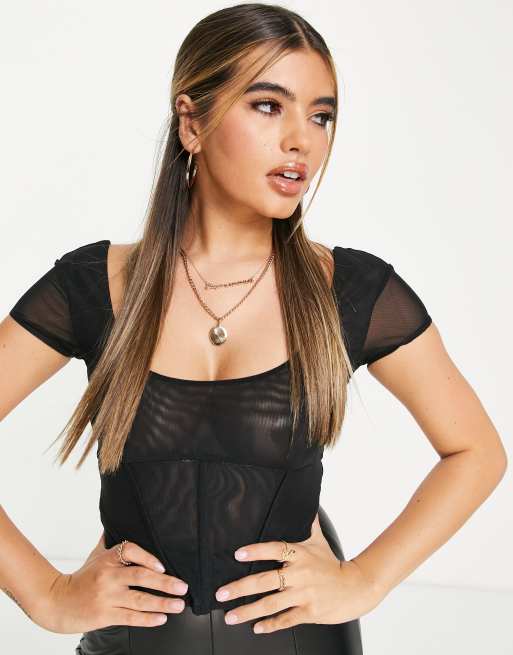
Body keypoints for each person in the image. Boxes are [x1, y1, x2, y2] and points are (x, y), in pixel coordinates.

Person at [0, 3, 507, 654]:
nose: (302, 140)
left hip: (302, 641)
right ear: (192, 122)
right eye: (269, 106)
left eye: (321, 115)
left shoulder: (350, 291)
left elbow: (475, 451)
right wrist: (46, 594)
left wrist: (364, 581)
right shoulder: (93, 286)